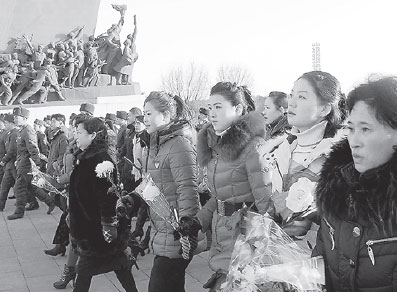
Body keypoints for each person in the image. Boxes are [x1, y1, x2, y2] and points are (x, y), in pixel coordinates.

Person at [312, 76, 397, 292]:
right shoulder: (335, 188)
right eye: (350, 128)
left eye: (366, 129)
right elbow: (320, 261)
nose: (354, 141)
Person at [191, 82, 272, 291]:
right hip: (221, 235)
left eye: (218, 107)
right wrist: (197, 221)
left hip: (242, 238)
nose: (212, 113)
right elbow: (218, 196)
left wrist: (259, 247)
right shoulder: (214, 147)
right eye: (210, 107)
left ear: (237, 109)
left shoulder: (253, 147)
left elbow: (265, 204)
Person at [262, 71, 344, 252]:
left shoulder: (339, 157)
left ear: (324, 109)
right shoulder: (280, 149)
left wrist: (310, 226)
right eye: (292, 95)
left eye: (302, 97)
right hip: (275, 256)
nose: (291, 102)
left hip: (316, 262)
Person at [69, 117, 137, 292]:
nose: (75, 136)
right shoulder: (84, 157)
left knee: (84, 272)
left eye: (79, 132)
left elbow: (108, 197)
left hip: (97, 231)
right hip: (88, 225)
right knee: (120, 267)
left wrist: (109, 226)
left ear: (93, 135)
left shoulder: (101, 161)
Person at [142, 91, 199, 292]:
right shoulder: (156, 145)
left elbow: (188, 188)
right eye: (143, 114)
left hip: (176, 233)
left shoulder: (178, 145)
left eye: (149, 114)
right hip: (162, 230)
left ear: (165, 116)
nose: (145, 119)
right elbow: (154, 185)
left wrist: (186, 229)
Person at [7, 107, 55, 220]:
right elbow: (21, 149)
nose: (15, 119)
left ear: (24, 118)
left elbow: (33, 148)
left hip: (27, 164)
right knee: (32, 187)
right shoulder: (21, 130)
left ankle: (19, 212)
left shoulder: (28, 130)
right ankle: (50, 202)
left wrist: (37, 164)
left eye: (16, 117)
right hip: (22, 163)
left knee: (19, 188)